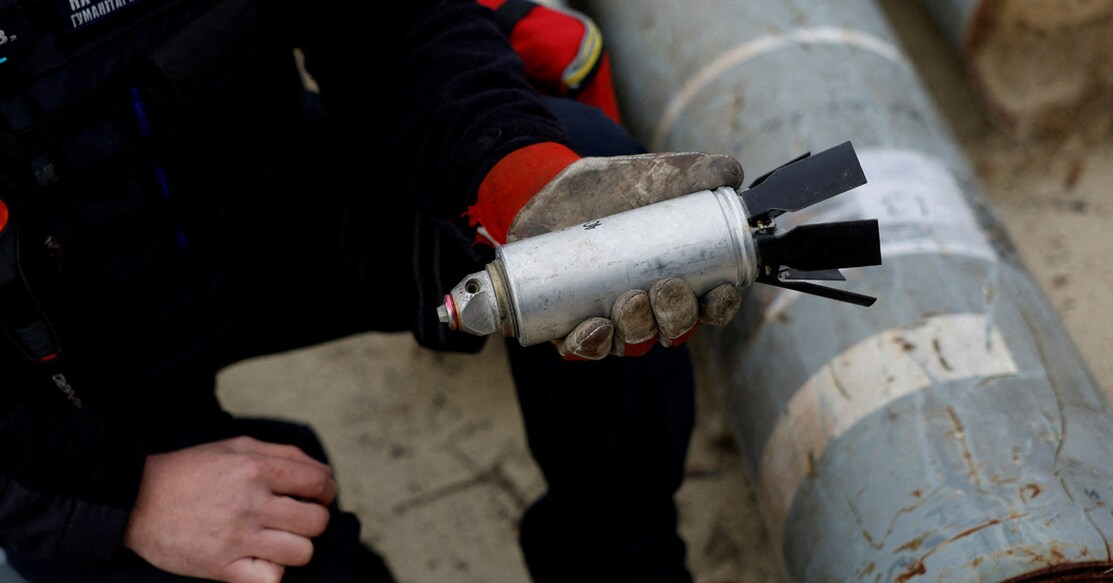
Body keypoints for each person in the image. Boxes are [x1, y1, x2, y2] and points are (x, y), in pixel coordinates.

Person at [0, 0, 745, 581]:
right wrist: (122, 497)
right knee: (283, 549)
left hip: (266, 209)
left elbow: (392, 24)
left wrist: (511, 170)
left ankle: (618, 561)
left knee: (600, 235)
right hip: (58, 387)